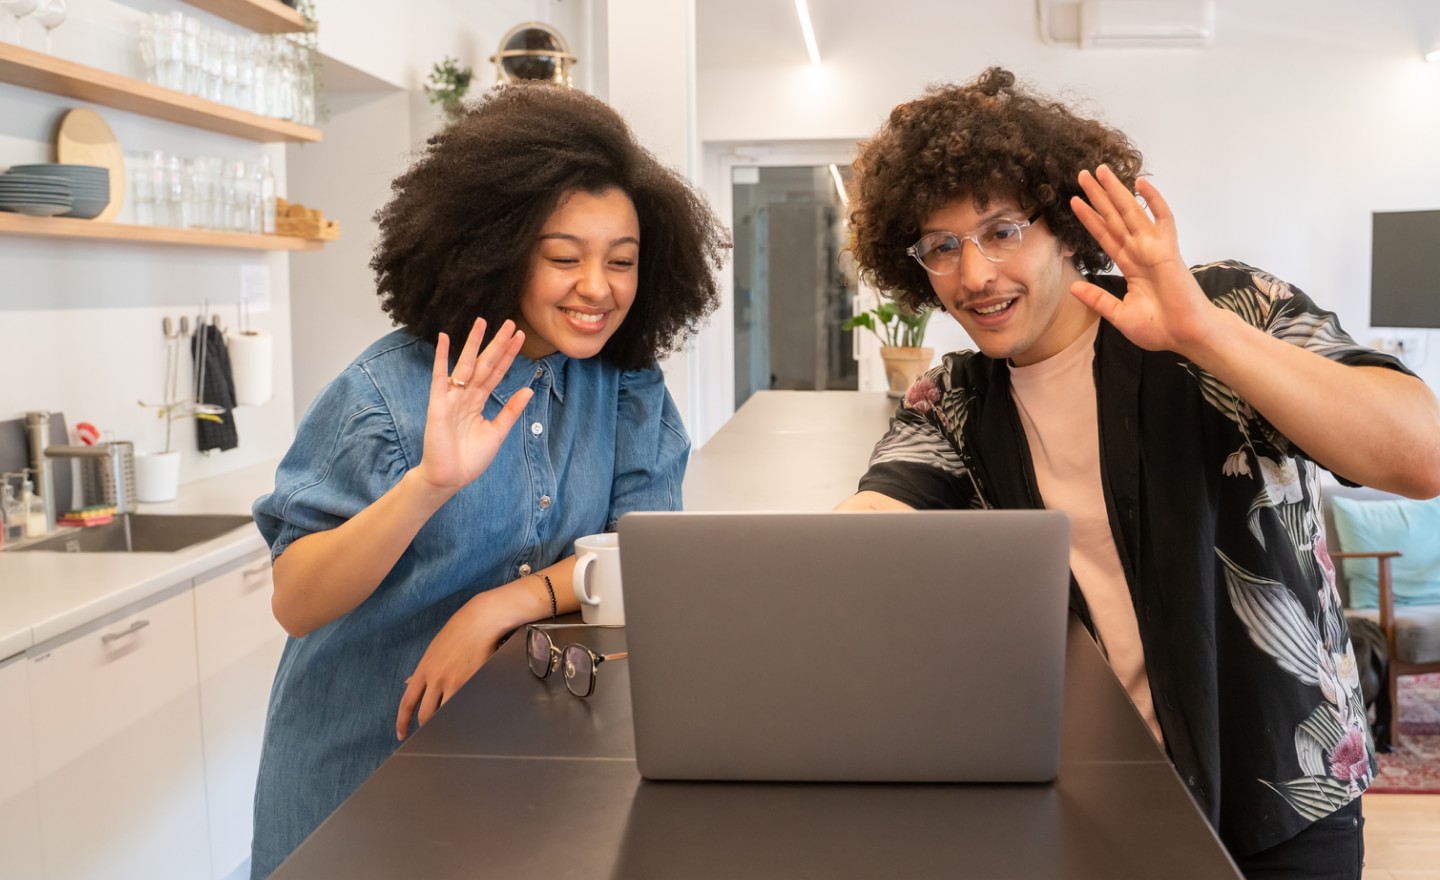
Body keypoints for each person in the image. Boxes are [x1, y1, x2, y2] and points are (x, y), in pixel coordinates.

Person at [838, 67, 1440, 878]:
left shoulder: (1224, 307)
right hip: (1091, 804)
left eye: (1001, 231)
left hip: (1282, 798)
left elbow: (1420, 456)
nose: (974, 275)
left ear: (1064, 225)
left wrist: (1202, 333)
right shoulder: (952, 402)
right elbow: (873, 519)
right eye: (942, 247)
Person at [248, 83, 728, 878]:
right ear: (499, 248)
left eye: (621, 261)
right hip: (360, 765)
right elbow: (297, 602)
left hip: (525, 761)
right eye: (564, 257)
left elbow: (645, 559)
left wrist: (499, 605)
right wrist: (429, 486)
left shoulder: (627, 386)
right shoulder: (385, 395)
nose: (598, 288)